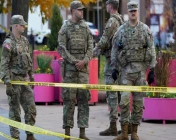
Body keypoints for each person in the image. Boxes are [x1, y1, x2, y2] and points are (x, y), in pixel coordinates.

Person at [110, 1, 156, 140]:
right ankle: (124, 132)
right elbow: (114, 49)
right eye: (131, 11)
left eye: (135, 11)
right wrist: (114, 68)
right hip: (126, 71)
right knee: (124, 101)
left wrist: (152, 68)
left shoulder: (145, 29)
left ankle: (134, 132)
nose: (133, 13)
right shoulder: (121, 30)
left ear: (137, 12)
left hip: (141, 73)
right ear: (128, 13)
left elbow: (151, 48)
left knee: (138, 103)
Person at [57, 1, 93, 140]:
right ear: (72, 11)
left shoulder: (86, 28)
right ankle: (67, 134)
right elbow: (61, 47)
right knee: (69, 101)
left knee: (84, 101)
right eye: (79, 10)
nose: (82, 12)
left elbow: (91, 47)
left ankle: (82, 134)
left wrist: (84, 61)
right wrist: (74, 61)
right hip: (70, 71)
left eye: (82, 10)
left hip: (83, 71)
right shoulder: (65, 27)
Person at [0, 15, 37, 140]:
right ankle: (15, 137)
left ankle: (30, 134)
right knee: (15, 112)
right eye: (22, 25)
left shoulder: (25, 41)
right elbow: (4, 64)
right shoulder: (8, 43)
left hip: (24, 81)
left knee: (31, 108)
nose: (24, 27)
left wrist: (31, 76)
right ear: (16, 26)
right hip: (14, 80)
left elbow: (29, 60)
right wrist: (7, 82)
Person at [93, 0, 124, 136]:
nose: (105, 7)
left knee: (112, 94)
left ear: (110, 6)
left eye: (106, 5)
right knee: (121, 94)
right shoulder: (122, 21)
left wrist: (91, 54)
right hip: (121, 63)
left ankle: (113, 126)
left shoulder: (112, 22)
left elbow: (104, 41)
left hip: (112, 63)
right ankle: (125, 126)